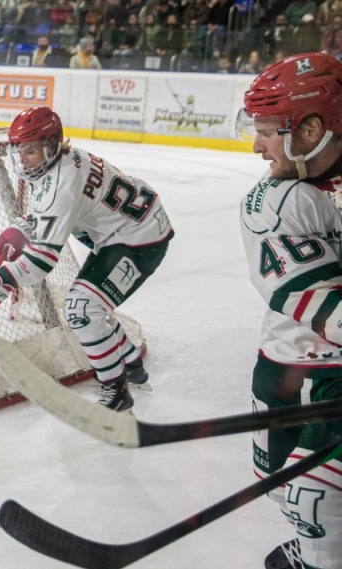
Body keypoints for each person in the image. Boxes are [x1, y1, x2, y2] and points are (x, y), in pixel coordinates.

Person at [0, 106, 173, 411]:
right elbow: (47, 213)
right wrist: (18, 230)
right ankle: (130, 360)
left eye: (30, 151)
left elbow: (41, 262)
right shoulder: (60, 163)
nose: (22, 159)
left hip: (140, 238)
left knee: (82, 308)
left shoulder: (62, 182)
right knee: (90, 305)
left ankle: (116, 391)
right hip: (123, 229)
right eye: (19, 150)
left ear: (50, 145)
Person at [236, 52, 342, 569]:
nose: (257, 146)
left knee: (314, 495)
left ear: (314, 129)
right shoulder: (274, 204)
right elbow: (317, 303)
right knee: (277, 482)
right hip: (287, 363)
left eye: (270, 130)